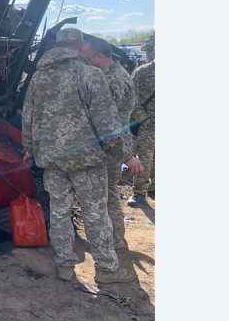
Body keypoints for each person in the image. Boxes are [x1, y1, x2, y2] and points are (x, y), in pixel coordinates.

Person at [21, 27, 140, 284]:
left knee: (60, 212)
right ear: (80, 45)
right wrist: (123, 154)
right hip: (87, 160)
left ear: (56, 46)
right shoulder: (90, 75)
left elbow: (28, 117)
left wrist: (30, 148)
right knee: (95, 212)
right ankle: (107, 269)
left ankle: (65, 266)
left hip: (52, 160)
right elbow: (108, 123)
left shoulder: (38, 78)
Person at [81, 37, 144, 249]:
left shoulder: (115, 81)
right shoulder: (110, 75)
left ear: (99, 56)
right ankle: (113, 237)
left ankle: (115, 238)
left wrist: (126, 154)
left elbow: (108, 120)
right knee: (106, 192)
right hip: (110, 144)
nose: (87, 62)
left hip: (112, 146)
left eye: (89, 58)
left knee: (107, 193)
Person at [128, 34, 155, 206]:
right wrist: (143, 121)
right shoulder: (143, 72)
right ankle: (139, 192)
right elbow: (133, 99)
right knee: (145, 157)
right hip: (150, 123)